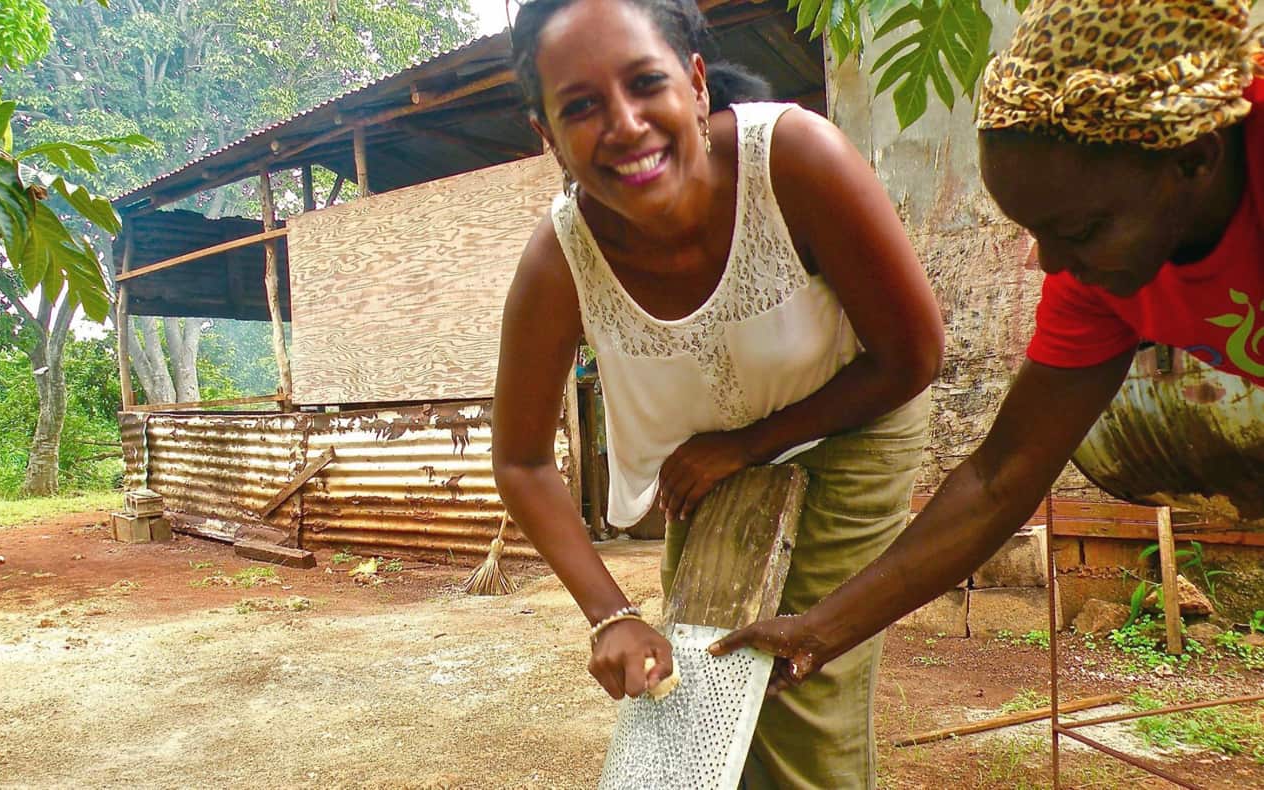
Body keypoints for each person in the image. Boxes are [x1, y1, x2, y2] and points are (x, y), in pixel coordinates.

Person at [712, 0, 1264, 701]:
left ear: (1195, 159)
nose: (1050, 262)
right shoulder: (1097, 277)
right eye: (1035, 230)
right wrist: (817, 630)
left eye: (1081, 229)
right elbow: (1001, 476)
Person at [490, 0, 943, 786]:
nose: (625, 125)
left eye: (644, 83)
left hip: (852, 419)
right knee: (696, 679)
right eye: (582, 106)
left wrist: (748, 446)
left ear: (696, 85)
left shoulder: (796, 160)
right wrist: (613, 615)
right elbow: (523, 460)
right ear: (547, 136)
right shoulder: (558, 257)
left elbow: (911, 357)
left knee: (793, 677)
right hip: (703, 461)